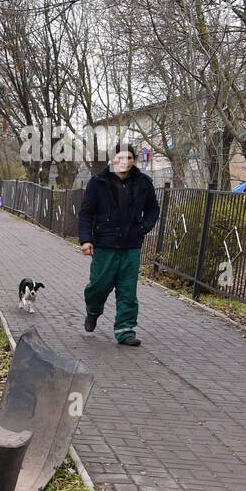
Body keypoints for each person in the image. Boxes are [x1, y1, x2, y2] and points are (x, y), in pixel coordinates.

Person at [77, 141, 160, 347]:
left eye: (129, 157)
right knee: (98, 286)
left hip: (131, 245)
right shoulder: (98, 182)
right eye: (121, 157)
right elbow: (86, 213)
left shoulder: (143, 182)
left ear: (134, 160)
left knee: (127, 290)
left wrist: (144, 227)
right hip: (105, 244)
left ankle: (125, 330)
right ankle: (93, 311)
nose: (125, 161)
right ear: (113, 159)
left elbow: (153, 209)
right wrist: (86, 239)